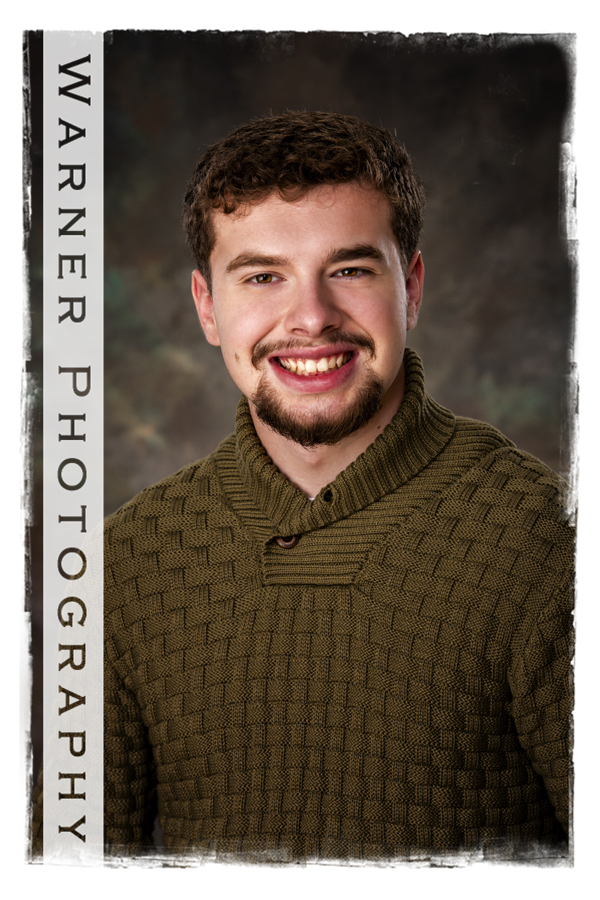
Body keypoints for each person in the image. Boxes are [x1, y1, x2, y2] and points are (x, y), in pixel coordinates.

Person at [102, 111, 573, 862]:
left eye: (350, 270)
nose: (312, 318)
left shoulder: (546, 540)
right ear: (206, 308)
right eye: (262, 277)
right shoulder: (130, 559)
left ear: (411, 288)